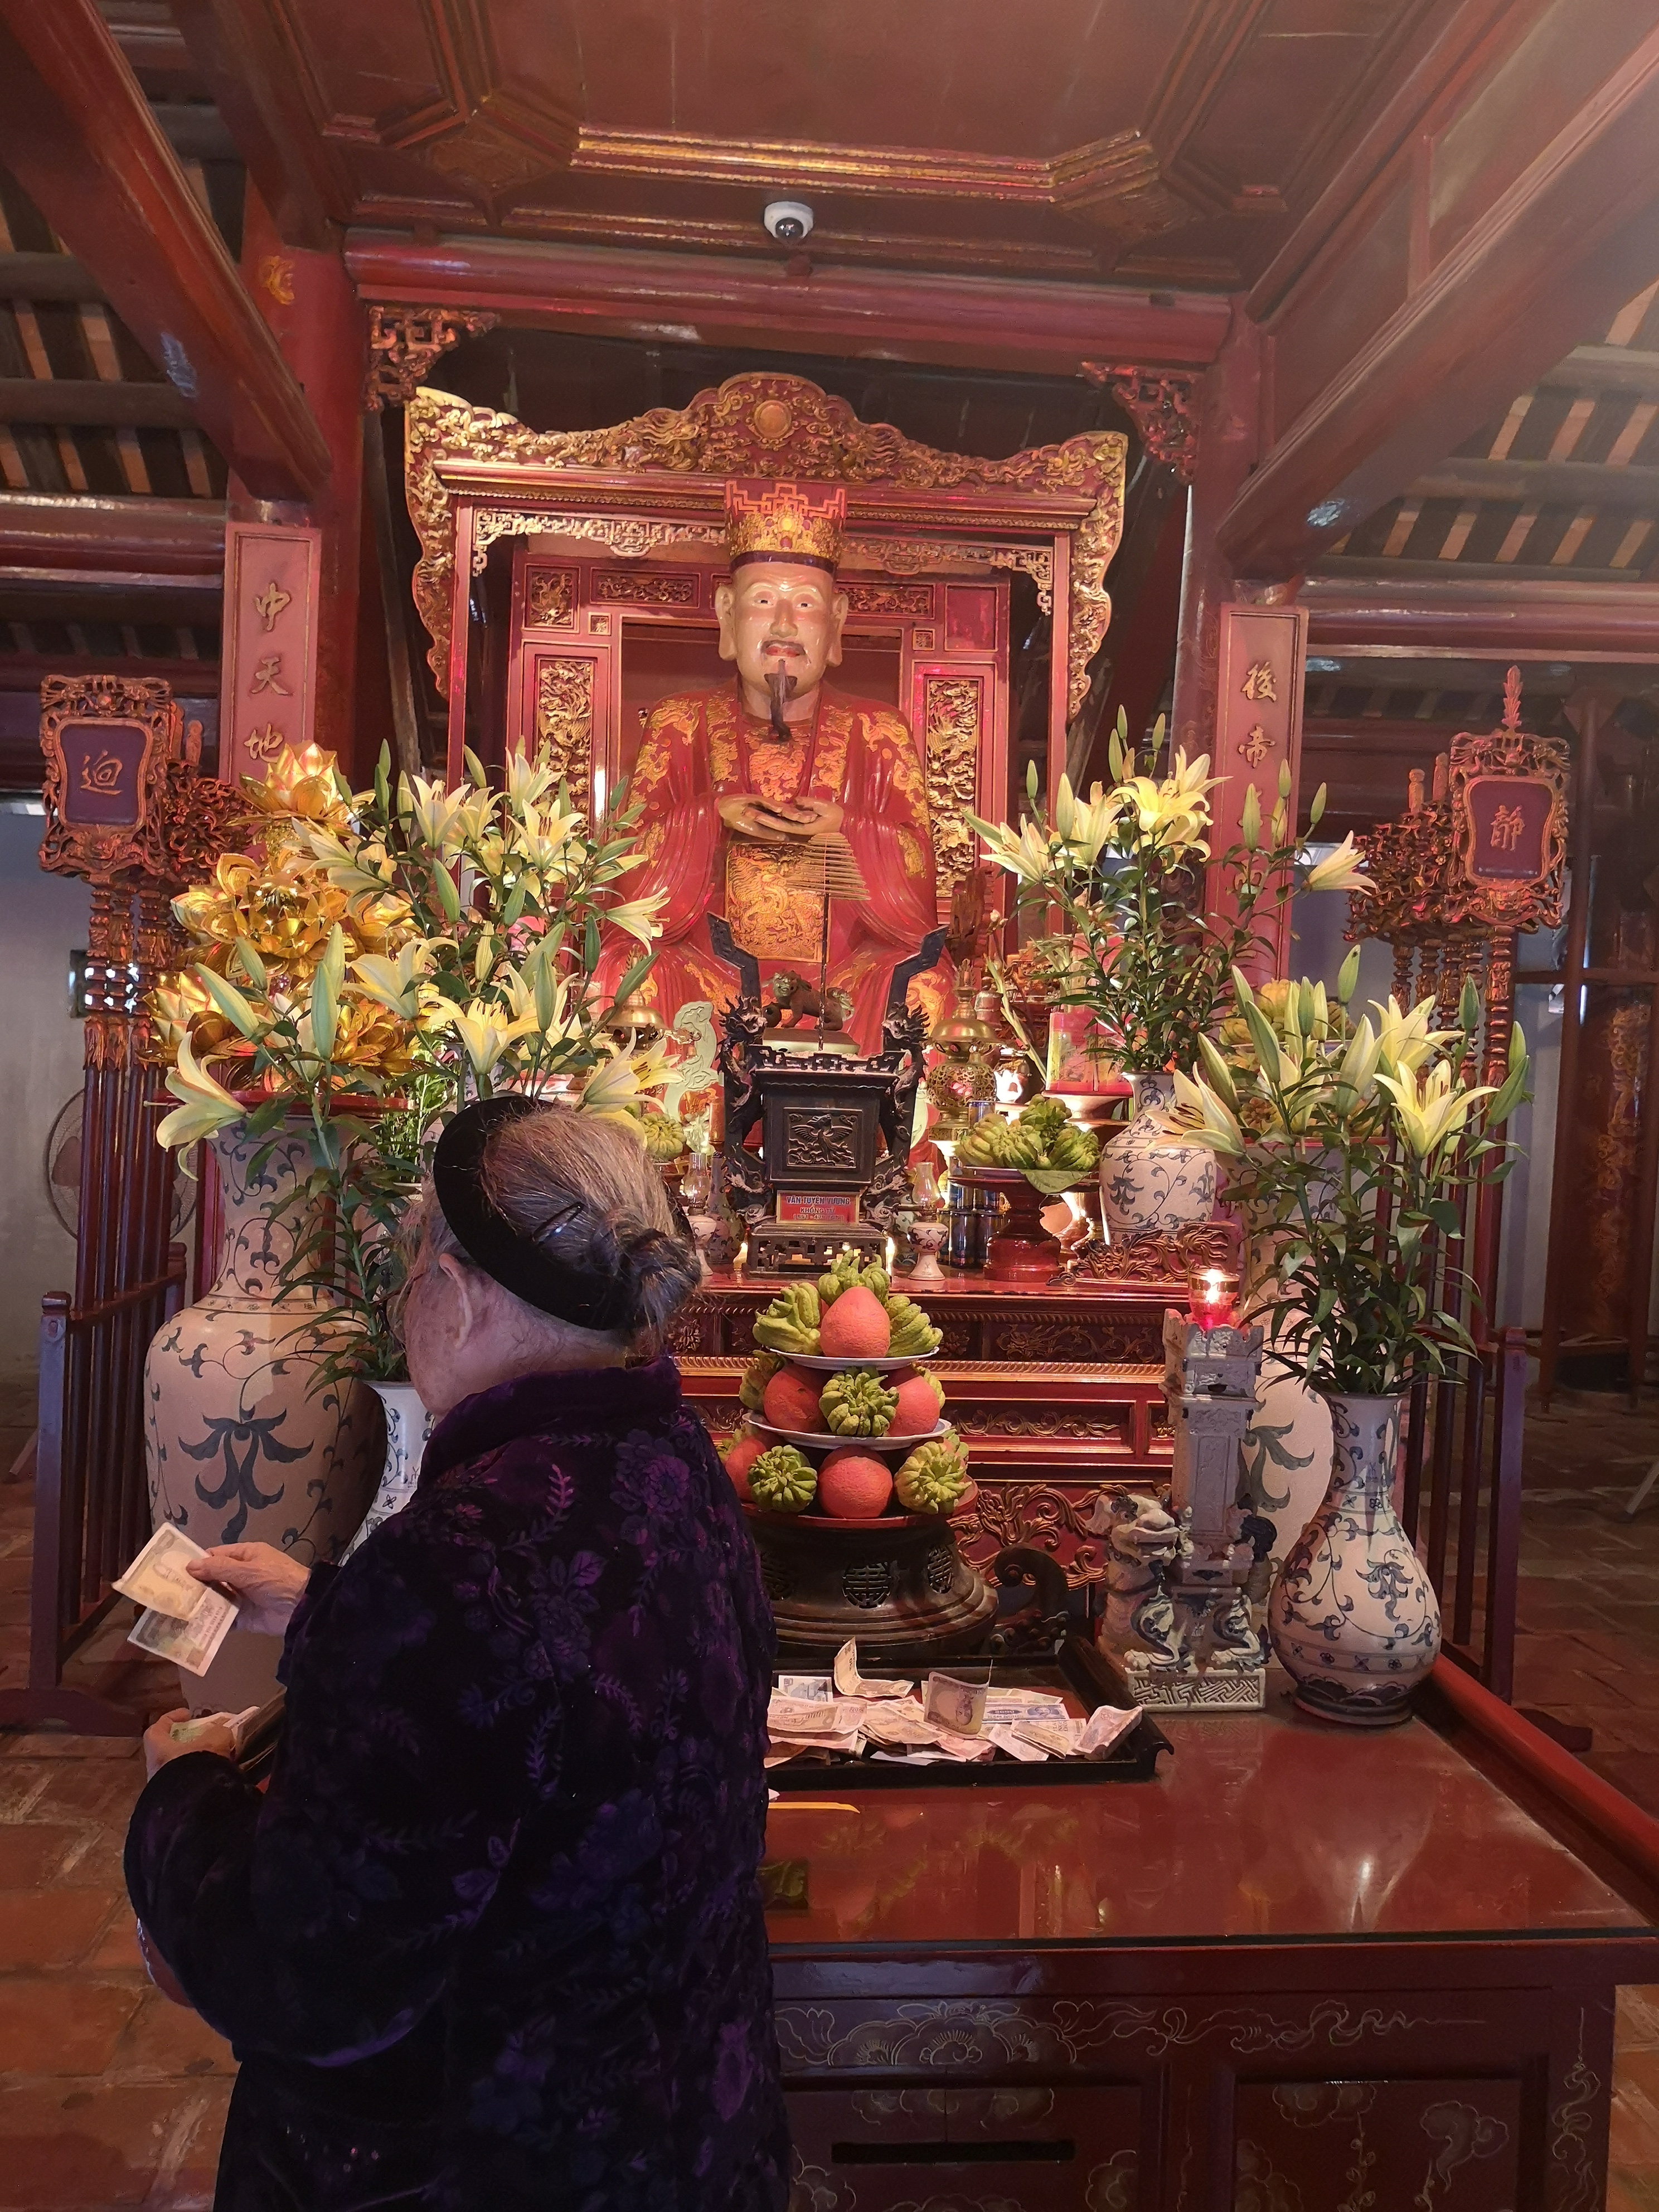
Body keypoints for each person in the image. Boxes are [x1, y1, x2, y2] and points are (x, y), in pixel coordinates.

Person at [124, 1098, 789, 2211]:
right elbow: (552, 1689)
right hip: (686, 2132)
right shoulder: (675, 1459)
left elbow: (313, 1979)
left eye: (411, 1273)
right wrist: (328, 1609)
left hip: (486, 2160)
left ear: (462, 1290)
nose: (406, 1304)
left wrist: (180, 1795)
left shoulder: (462, 1550)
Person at [593, 477, 949, 1053]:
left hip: (844, 982)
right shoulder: (680, 722)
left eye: (805, 605)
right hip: (711, 976)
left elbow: (917, 882)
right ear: (727, 613)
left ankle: (877, 1115)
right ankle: (669, 1115)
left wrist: (848, 826)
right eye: (763, 601)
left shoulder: (879, 730)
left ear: (836, 622)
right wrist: (710, 816)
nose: (784, 626)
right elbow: (628, 878)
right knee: (632, 971)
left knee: (925, 984)